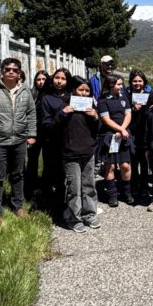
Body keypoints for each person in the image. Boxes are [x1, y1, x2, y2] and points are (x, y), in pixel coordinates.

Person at [0, 58, 37, 225]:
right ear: (2, 71)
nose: (11, 72)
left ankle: (18, 206)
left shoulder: (25, 91)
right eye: (7, 69)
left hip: (19, 140)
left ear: (19, 73)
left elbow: (31, 113)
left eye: (15, 70)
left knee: (18, 175)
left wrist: (31, 133)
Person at [60, 76, 101, 231]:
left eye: (87, 90)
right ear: (73, 90)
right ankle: (73, 218)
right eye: (80, 90)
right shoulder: (65, 105)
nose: (84, 94)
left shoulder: (90, 108)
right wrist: (64, 113)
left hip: (88, 152)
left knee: (89, 185)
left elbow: (97, 130)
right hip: (71, 154)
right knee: (73, 187)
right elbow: (55, 126)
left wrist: (96, 117)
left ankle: (89, 214)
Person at [97, 75, 134, 206]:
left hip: (123, 135)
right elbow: (106, 120)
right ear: (111, 85)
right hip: (109, 136)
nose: (121, 87)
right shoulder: (102, 100)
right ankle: (112, 195)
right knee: (110, 166)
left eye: (121, 84)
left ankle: (127, 193)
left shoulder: (124, 97)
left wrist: (123, 130)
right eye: (118, 84)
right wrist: (119, 130)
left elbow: (128, 114)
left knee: (125, 165)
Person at [39, 67, 72, 217]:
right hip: (52, 142)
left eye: (63, 78)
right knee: (53, 175)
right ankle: (54, 208)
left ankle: (70, 205)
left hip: (71, 142)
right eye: (57, 77)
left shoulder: (73, 97)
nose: (59, 81)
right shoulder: (46, 98)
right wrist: (62, 114)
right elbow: (46, 124)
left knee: (70, 175)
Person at [126, 68, 151, 204]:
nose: (137, 83)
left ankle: (145, 187)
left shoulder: (149, 95)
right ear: (131, 82)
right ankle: (134, 185)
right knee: (133, 161)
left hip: (145, 133)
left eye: (140, 81)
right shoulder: (127, 97)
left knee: (144, 161)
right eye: (134, 81)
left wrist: (146, 109)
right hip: (132, 133)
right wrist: (133, 109)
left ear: (144, 82)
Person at [25, 69, 50, 198]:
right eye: (38, 80)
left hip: (47, 133)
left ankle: (46, 186)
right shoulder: (31, 94)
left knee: (48, 159)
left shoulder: (51, 94)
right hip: (34, 132)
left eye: (43, 79)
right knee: (32, 160)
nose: (41, 82)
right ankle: (31, 186)